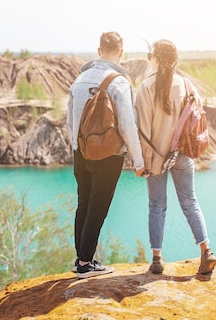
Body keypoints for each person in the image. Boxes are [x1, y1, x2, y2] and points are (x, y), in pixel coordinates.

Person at [67, 31, 147, 279]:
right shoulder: (119, 82)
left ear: (99, 50)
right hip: (109, 156)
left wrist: (77, 148)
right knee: (98, 208)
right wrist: (138, 159)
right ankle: (85, 264)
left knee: (83, 204)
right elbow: (127, 124)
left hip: (81, 152)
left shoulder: (79, 80)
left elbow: (70, 120)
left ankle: (81, 258)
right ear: (121, 53)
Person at [135, 39, 216, 277]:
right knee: (190, 202)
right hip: (182, 154)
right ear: (176, 60)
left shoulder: (145, 87)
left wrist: (140, 163)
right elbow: (198, 112)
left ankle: (157, 259)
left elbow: (142, 129)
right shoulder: (186, 84)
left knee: (157, 206)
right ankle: (206, 251)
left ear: (155, 59)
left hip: (156, 157)